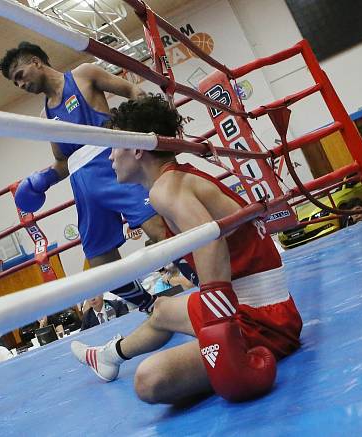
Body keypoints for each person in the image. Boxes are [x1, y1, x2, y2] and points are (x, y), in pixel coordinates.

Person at [70, 95, 303, 403]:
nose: (109, 157)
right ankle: (109, 356)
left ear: (137, 148)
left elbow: (211, 239)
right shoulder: (178, 180)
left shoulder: (166, 189)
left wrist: (220, 323)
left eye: (114, 146)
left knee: (148, 381)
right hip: (270, 310)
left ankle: (114, 357)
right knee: (163, 309)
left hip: (258, 322)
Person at [0, 42, 167, 312]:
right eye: (14, 83)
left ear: (35, 61)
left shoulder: (84, 74)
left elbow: (132, 90)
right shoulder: (46, 117)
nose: (20, 85)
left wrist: (154, 127)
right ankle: (151, 306)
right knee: (100, 265)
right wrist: (42, 180)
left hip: (114, 165)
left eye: (19, 75)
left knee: (161, 231)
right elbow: (63, 162)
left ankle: (205, 285)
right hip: (83, 186)